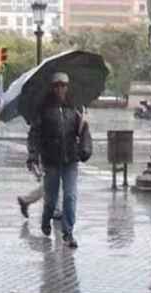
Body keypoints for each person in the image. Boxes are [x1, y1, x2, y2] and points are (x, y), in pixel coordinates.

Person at [26, 72, 92, 248]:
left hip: (71, 159)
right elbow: (34, 134)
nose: (60, 88)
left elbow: (83, 132)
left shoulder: (75, 109)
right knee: (51, 199)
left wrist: (85, 147)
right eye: (57, 85)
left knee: (70, 196)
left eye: (64, 85)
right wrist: (33, 155)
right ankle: (46, 219)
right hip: (51, 160)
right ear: (52, 87)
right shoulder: (43, 110)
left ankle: (68, 232)